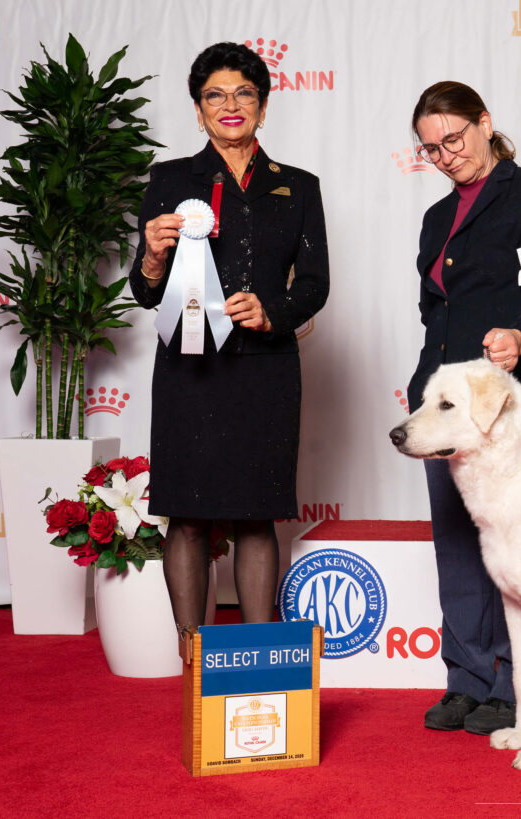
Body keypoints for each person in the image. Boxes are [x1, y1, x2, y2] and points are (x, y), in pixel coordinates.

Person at [128, 42, 329, 653]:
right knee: (187, 515)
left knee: (255, 514)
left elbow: (316, 283)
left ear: (262, 106)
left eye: (244, 93)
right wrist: (156, 253)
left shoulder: (298, 187)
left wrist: (274, 313)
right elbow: (142, 290)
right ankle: (194, 660)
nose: (230, 105)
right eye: (215, 95)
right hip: (190, 372)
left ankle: (258, 661)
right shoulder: (169, 181)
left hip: (266, 371)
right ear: (198, 110)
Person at [406, 81, 521, 735]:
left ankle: (516, 685)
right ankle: (467, 679)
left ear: (485, 122)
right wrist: (423, 384)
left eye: (453, 138)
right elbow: (435, 314)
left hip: (513, 406)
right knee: (455, 538)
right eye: (430, 148)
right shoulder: (433, 220)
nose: (445, 154)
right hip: (445, 406)